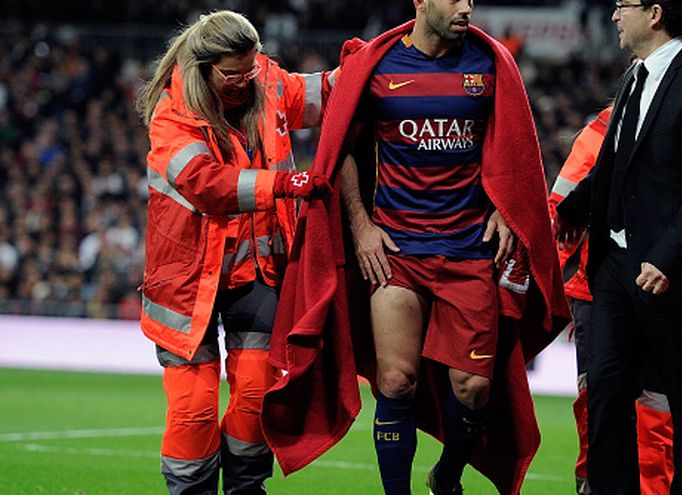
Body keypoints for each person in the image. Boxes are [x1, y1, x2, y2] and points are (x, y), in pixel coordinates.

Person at [259, 1, 569, 494]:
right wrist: (360, 226)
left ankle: (446, 476)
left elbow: (512, 150)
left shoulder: (490, 65)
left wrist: (506, 206)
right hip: (397, 251)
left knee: (475, 388)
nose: (466, 7)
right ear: (421, 2)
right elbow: (342, 151)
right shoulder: (379, 65)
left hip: (470, 250)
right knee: (396, 381)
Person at [136, 11, 334, 494]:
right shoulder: (172, 113)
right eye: (233, 74)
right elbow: (206, 184)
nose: (246, 81)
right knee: (193, 409)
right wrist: (284, 184)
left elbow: (323, 95)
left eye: (251, 68)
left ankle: (247, 489)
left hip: (258, 272)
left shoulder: (263, 77)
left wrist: (371, 60)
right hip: (186, 287)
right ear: (204, 68)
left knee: (256, 397)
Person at [554, 0, 682, 492]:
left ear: (655, 13)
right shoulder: (635, 77)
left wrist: (666, 256)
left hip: (677, 275)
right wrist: (571, 210)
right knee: (606, 394)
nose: (614, 16)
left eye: (622, 5)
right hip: (618, 268)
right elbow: (614, 163)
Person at [550, 106, 682, 494]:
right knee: (602, 413)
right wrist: (543, 281)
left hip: (666, 293)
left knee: (646, 418)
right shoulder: (613, 123)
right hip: (604, 292)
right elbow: (562, 212)